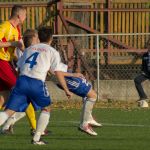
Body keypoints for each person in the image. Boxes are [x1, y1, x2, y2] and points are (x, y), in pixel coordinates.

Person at [0, 27, 83, 145]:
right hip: (36, 82)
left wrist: (18, 83)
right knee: (46, 108)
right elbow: (57, 72)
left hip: (21, 80)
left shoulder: (29, 49)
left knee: (9, 111)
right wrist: (66, 90)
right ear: (51, 38)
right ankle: (37, 138)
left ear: (38, 37)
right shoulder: (52, 51)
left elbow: (19, 66)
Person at [0, 5, 37, 135]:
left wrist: (30, 56)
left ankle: (7, 124)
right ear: (19, 16)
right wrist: (13, 44)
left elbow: (20, 48)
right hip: (1, 62)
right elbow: (10, 45)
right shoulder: (5, 26)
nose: (26, 18)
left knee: (5, 96)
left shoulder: (17, 29)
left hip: (7, 62)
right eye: (25, 15)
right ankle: (35, 128)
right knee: (22, 89)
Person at [54, 62, 102, 136]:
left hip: (64, 75)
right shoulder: (49, 51)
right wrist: (73, 75)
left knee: (91, 93)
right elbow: (57, 72)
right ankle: (85, 124)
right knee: (92, 95)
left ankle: (89, 118)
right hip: (63, 76)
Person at [134, 38, 150, 108]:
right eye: (149, 46)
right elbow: (143, 65)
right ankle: (143, 96)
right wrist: (143, 72)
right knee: (137, 80)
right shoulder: (145, 55)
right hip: (147, 73)